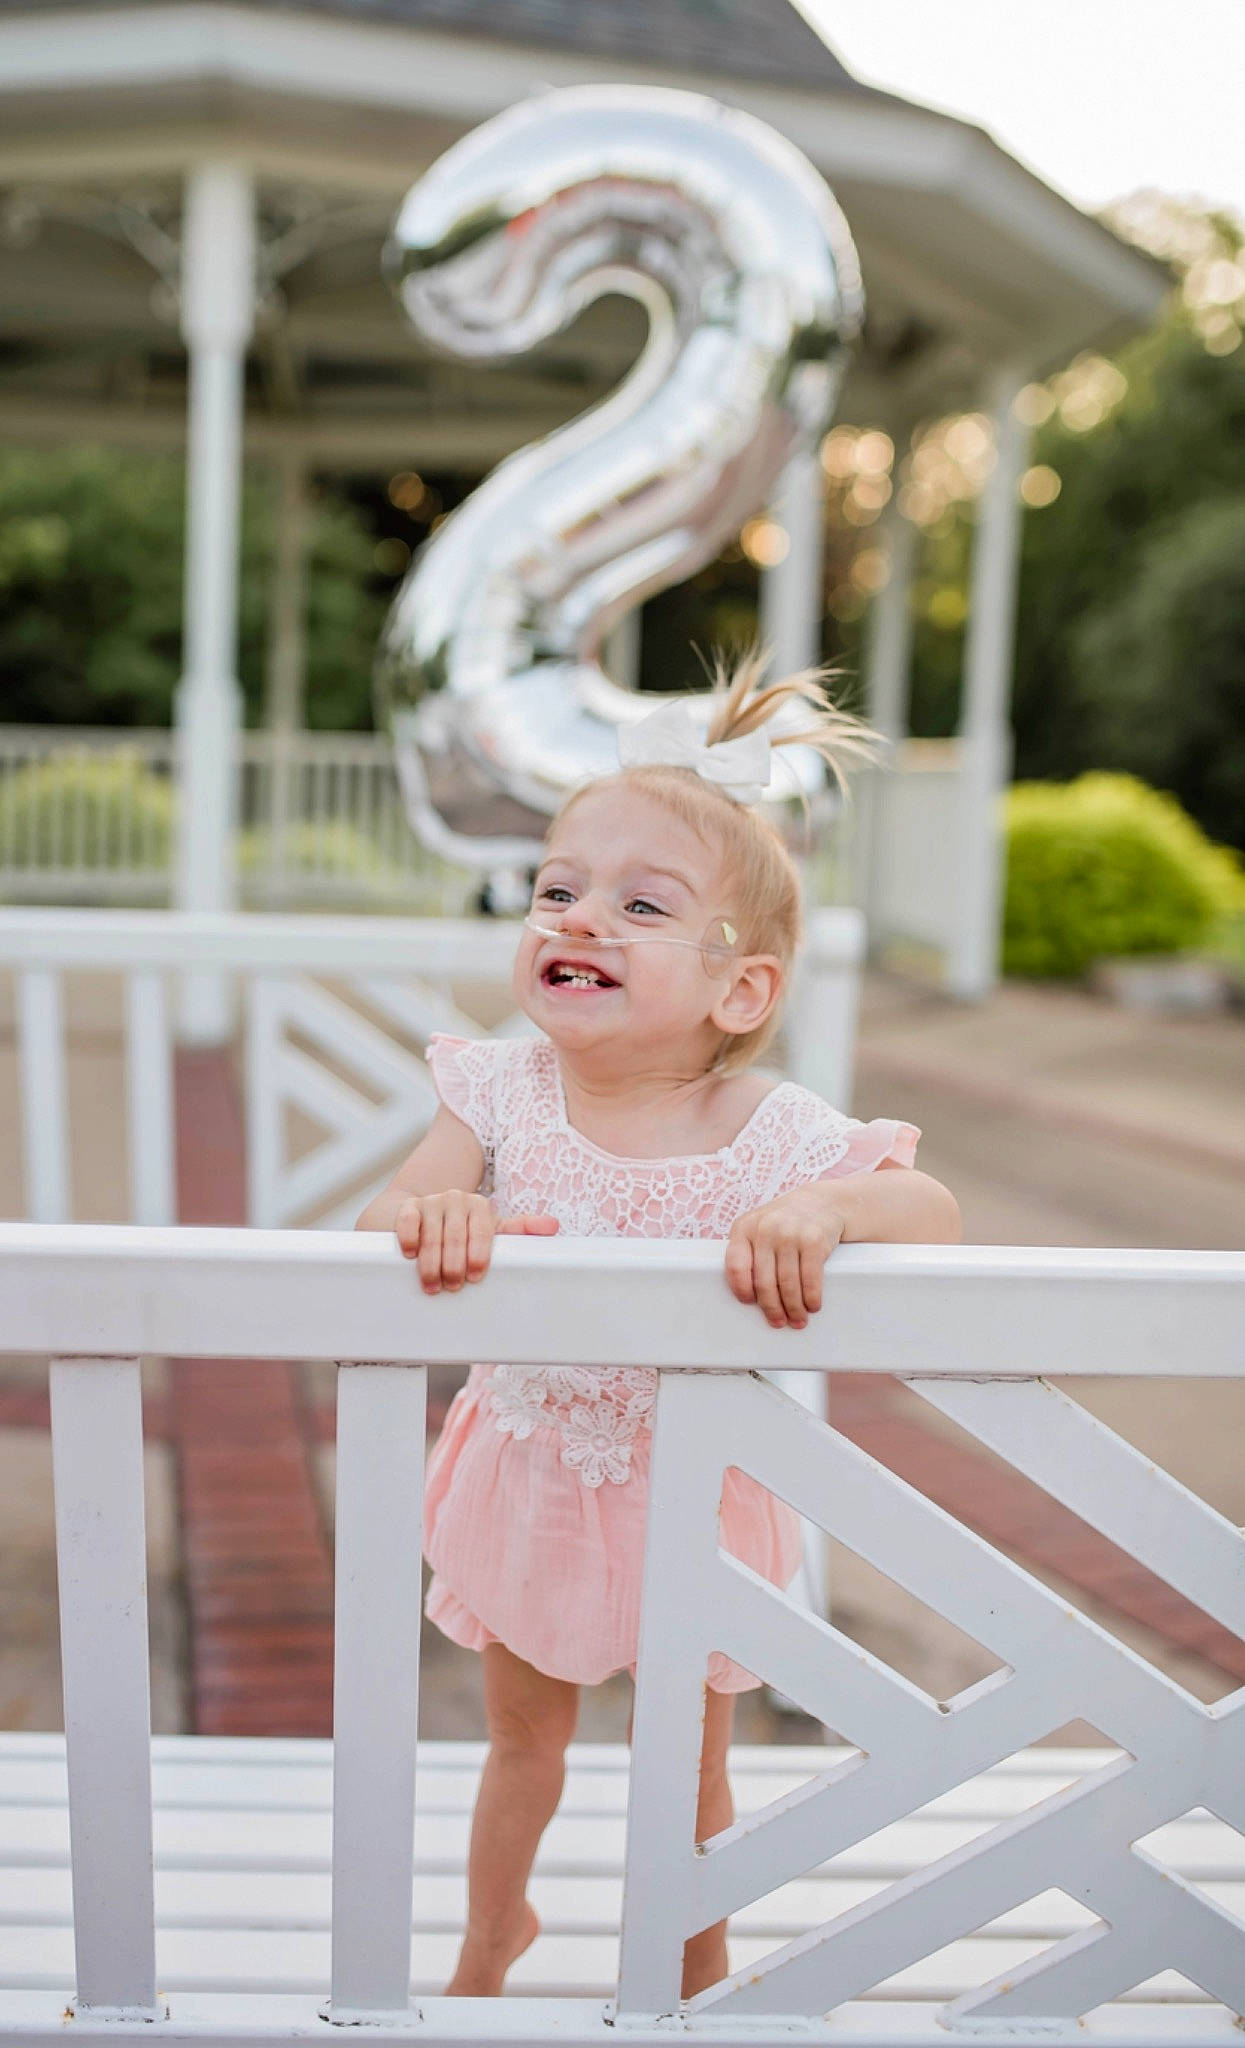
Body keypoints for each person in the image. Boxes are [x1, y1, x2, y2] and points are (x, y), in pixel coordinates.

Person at [356, 657, 962, 2000]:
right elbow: (381, 1222)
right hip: (527, 1462)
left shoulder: (765, 1131)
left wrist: (822, 1211)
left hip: (691, 1488)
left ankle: (696, 1954)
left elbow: (925, 1206)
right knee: (521, 1738)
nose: (580, 918)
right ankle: (489, 1933)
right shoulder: (500, 1093)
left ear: (735, 992)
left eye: (639, 904)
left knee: (686, 1760)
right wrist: (437, 1221)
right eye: (557, 891)